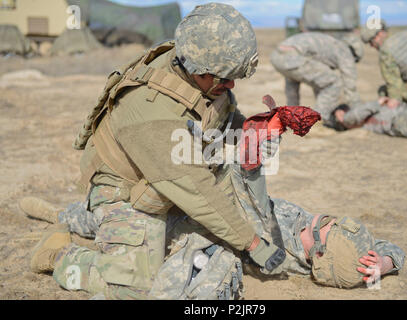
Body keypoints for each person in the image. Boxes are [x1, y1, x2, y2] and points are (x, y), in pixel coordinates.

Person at [25, 3, 286, 300]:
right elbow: (196, 188)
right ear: (194, 67)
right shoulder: (150, 110)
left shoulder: (203, 73)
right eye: (222, 78)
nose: (231, 84)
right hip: (125, 192)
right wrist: (251, 244)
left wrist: (258, 128)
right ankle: (58, 253)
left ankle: (73, 216)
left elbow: (221, 123)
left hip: (164, 183)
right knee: (134, 289)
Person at [21, 157, 406, 292]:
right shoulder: (327, 239)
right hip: (201, 205)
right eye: (330, 221)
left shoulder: (278, 246)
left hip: (191, 228)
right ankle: (60, 215)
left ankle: (61, 235)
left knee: (119, 221)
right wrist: (384, 264)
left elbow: (246, 181)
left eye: (320, 230)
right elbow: (390, 249)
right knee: (99, 212)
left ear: (314, 255)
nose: (319, 220)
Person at [270, 31, 364, 128]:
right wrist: (358, 112)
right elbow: (350, 86)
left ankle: (291, 119)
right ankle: (318, 122)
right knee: (334, 82)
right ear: (354, 54)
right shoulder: (344, 51)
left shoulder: (331, 45)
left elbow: (320, 82)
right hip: (294, 57)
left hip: (277, 56)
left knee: (293, 79)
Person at [332, 83, 407, 141]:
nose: (343, 115)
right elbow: (352, 117)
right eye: (340, 114)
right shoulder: (350, 119)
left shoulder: (363, 110)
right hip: (401, 122)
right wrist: (379, 102)